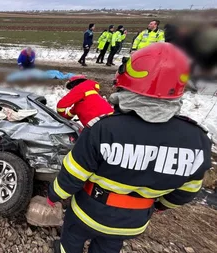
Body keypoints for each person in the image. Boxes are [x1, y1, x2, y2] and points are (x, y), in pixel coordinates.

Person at [50, 43, 212, 253]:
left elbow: (73, 173)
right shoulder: (197, 140)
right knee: (109, 245)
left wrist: (53, 196)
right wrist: (160, 205)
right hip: (133, 221)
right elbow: (187, 191)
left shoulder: (103, 129)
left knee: (71, 240)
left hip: (89, 212)